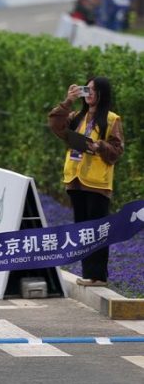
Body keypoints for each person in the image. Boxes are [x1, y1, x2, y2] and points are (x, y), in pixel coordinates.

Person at [48, 77, 124, 286]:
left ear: (102, 94)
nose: (89, 93)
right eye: (86, 90)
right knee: (82, 229)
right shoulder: (77, 116)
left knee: (98, 229)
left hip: (97, 183)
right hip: (75, 179)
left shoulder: (111, 119)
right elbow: (55, 125)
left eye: (93, 90)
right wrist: (67, 101)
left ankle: (98, 276)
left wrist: (100, 146)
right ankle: (88, 274)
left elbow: (117, 151)